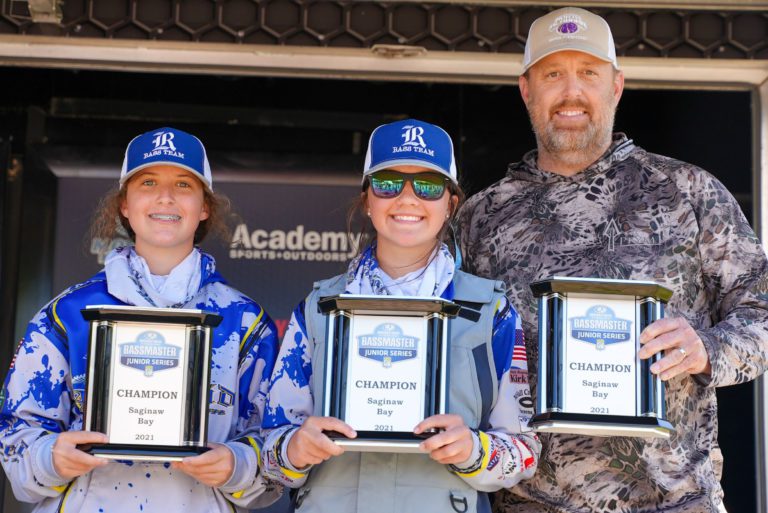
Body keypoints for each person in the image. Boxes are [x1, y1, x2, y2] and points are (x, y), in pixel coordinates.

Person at [457, 6, 768, 513]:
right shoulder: (482, 217)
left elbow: (763, 314)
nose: (571, 91)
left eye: (589, 73)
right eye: (553, 74)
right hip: (529, 502)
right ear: (526, 89)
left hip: (672, 501)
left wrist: (706, 348)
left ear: (616, 86)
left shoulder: (687, 192)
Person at [260, 119, 540, 513]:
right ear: (368, 200)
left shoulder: (489, 311)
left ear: (451, 204)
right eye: (389, 183)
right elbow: (267, 450)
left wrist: (474, 450)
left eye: (427, 185)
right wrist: (294, 448)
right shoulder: (318, 307)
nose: (407, 198)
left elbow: (524, 450)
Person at [0, 127, 281, 512]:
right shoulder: (66, 315)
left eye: (183, 184)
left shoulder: (246, 323)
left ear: (204, 208)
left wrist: (238, 465)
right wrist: (50, 458)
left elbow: (278, 452)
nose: (165, 196)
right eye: (148, 182)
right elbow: (15, 435)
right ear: (125, 206)